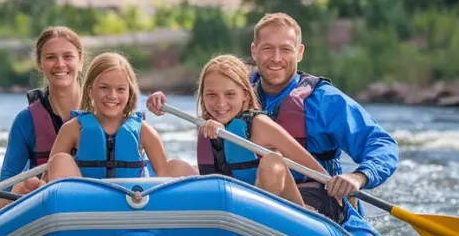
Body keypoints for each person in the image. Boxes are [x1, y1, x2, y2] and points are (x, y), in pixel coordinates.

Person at [149, 13, 398, 223]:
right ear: (254, 51)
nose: (276, 58)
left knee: (273, 165)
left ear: (299, 53)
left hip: (311, 200)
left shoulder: (324, 100)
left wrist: (358, 177)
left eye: (285, 49)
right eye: (268, 49)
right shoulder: (231, 94)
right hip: (243, 198)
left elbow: (381, 144)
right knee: (176, 169)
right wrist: (161, 100)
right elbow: (207, 103)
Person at [148, 54, 328, 209]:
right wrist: (158, 102)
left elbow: (313, 168)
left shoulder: (259, 124)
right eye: (211, 95)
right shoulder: (206, 127)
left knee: (273, 164)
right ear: (202, 96)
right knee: (175, 167)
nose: (220, 104)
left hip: (278, 211)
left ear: (245, 95)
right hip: (231, 210)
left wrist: (338, 192)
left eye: (230, 94)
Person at [0, 27, 83, 218]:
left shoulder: (105, 107)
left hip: (96, 201)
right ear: (40, 65)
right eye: (50, 58)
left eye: (68, 56)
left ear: (80, 61)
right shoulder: (26, 121)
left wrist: (155, 102)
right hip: (43, 204)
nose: (60, 64)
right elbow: (5, 186)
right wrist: (19, 190)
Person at [46, 52, 197, 182]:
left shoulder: (144, 131)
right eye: (104, 88)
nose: (112, 96)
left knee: (176, 166)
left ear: (129, 93)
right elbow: (47, 176)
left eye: (120, 89)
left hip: (132, 204)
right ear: (90, 91)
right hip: (86, 207)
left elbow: (164, 173)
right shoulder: (72, 129)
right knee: (60, 160)